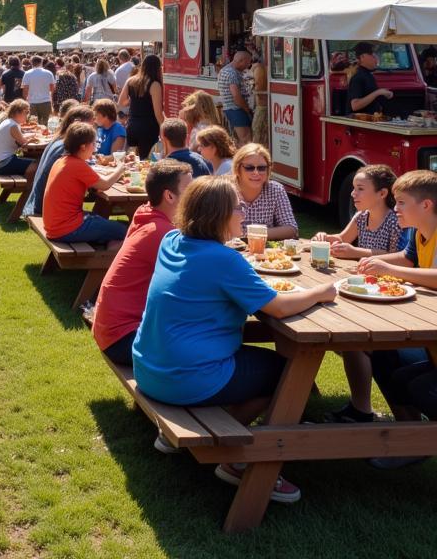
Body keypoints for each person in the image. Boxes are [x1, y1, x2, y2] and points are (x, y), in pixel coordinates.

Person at [132, 176, 334, 499]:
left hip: (149, 368)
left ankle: (205, 431)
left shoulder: (172, 240)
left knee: (268, 367)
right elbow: (279, 308)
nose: (244, 215)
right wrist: (322, 292)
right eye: (237, 209)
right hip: (184, 378)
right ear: (218, 216)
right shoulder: (222, 259)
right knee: (293, 376)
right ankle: (238, 461)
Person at [310, 165, 403, 425]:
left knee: (353, 341)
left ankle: (362, 408)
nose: (353, 193)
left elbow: (401, 261)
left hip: (386, 298)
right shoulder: (362, 217)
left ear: (382, 193)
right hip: (363, 291)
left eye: (360, 189)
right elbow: (341, 239)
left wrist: (357, 253)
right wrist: (325, 238)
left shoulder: (395, 221)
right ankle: (360, 407)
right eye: (354, 188)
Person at [357, 170, 437, 466]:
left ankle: (421, 441)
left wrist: (391, 271)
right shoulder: (420, 233)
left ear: (426, 205)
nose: (396, 209)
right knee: (383, 354)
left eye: (401, 203)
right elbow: (407, 258)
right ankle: (412, 443)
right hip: (429, 338)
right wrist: (369, 261)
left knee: (417, 387)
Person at [93, 159, 193, 364]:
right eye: (190, 190)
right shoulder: (163, 233)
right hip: (124, 338)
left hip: (111, 330)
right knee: (207, 346)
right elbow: (197, 280)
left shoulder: (146, 213)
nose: (195, 195)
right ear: (170, 195)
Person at [41, 124, 127, 245]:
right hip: (66, 228)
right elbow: (105, 184)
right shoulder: (77, 165)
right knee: (124, 230)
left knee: (102, 221)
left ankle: (103, 247)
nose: (95, 148)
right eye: (93, 144)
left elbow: (88, 186)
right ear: (83, 147)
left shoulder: (62, 160)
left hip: (54, 225)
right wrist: (121, 168)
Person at [22, 105, 94, 217]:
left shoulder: (59, 140)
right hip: (44, 208)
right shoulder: (66, 147)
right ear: (78, 123)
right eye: (90, 124)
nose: (92, 129)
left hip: (37, 202)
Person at [232, 143, 298, 240]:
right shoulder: (225, 189)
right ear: (237, 169)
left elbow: (291, 228)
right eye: (249, 168)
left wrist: (250, 234)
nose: (256, 173)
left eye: (261, 168)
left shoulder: (276, 189)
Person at [117, 55, 164, 159]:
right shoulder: (154, 84)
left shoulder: (131, 80)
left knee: (132, 159)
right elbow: (158, 113)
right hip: (148, 127)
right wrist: (165, 128)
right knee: (145, 160)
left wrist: (135, 100)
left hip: (132, 125)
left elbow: (121, 102)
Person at [0, 100, 39, 181]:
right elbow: (24, 144)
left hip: (1, 163)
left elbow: (20, 139)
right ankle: (28, 189)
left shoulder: (9, 122)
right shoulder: (13, 125)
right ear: (18, 112)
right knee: (37, 164)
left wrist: (30, 137)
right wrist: (32, 139)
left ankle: (28, 187)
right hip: (3, 164)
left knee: (35, 162)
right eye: (26, 112)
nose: (27, 115)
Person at [347, 42, 395, 118]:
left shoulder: (368, 75)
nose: (376, 58)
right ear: (362, 57)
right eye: (372, 54)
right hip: (361, 125)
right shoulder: (358, 77)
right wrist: (378, 92)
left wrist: (383, 93)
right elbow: (355, 105)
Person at [217, 50, 253, 145]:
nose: (248, 65)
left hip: (231, 109)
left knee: (238, 140)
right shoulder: (232, 73)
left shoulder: (225, 70)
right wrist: (247, 109)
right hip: (237, 109)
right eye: (248, 62)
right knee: (246, 139)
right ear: (241, 61)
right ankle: (244, 159)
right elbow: (236, 96)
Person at [21, 54, 56, 125]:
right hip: (45, 101)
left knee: (33, 124)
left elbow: (25, 90)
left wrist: (25, 101)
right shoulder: (49, 73)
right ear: (41, 62)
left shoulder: (27, 74)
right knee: (45, 124)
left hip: (32, 102)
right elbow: (52, 89)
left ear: (31, 63)